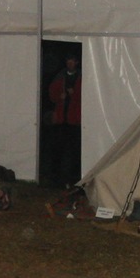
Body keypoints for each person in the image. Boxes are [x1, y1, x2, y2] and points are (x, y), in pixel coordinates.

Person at [48, 54, 82, 188]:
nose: (70, 63)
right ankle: (56, 179)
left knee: (74, 151)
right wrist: (59, 97)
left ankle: (73, 179)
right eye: (68, 61)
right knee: (58, 150)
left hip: (74, 121)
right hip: (61, 120)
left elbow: (88, 95)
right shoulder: (60, 76)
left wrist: (75, 94)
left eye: (72, 61)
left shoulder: (81, 77)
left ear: (76, 62)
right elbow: (52, 94)